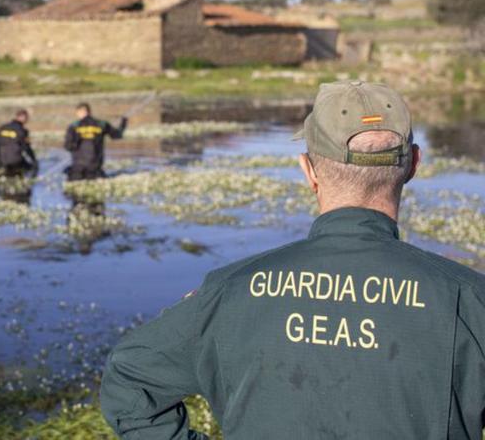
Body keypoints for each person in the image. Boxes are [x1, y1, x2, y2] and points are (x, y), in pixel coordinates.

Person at [100, 81, 485, 439]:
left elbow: (129, 378)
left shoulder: (228, 292)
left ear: (309, 170)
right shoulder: (469, 299)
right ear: (414, 164)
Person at [64, 102, 127, 181]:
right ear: (89, 112)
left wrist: (77, 142)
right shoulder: (102, 124)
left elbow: (68, 147)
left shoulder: (74, 126)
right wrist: (123, 122)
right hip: (95, 170)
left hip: (78, 170)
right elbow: (118, 135)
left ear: (79, 112)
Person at [0, 108, 38, 178]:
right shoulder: (23, 130)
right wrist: (34, 161)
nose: (27, 120)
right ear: (23, 118)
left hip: (2, 161)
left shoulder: (2, 127)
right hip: (16, 161)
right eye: (26, 118)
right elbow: (26, 148)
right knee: (31, 168)